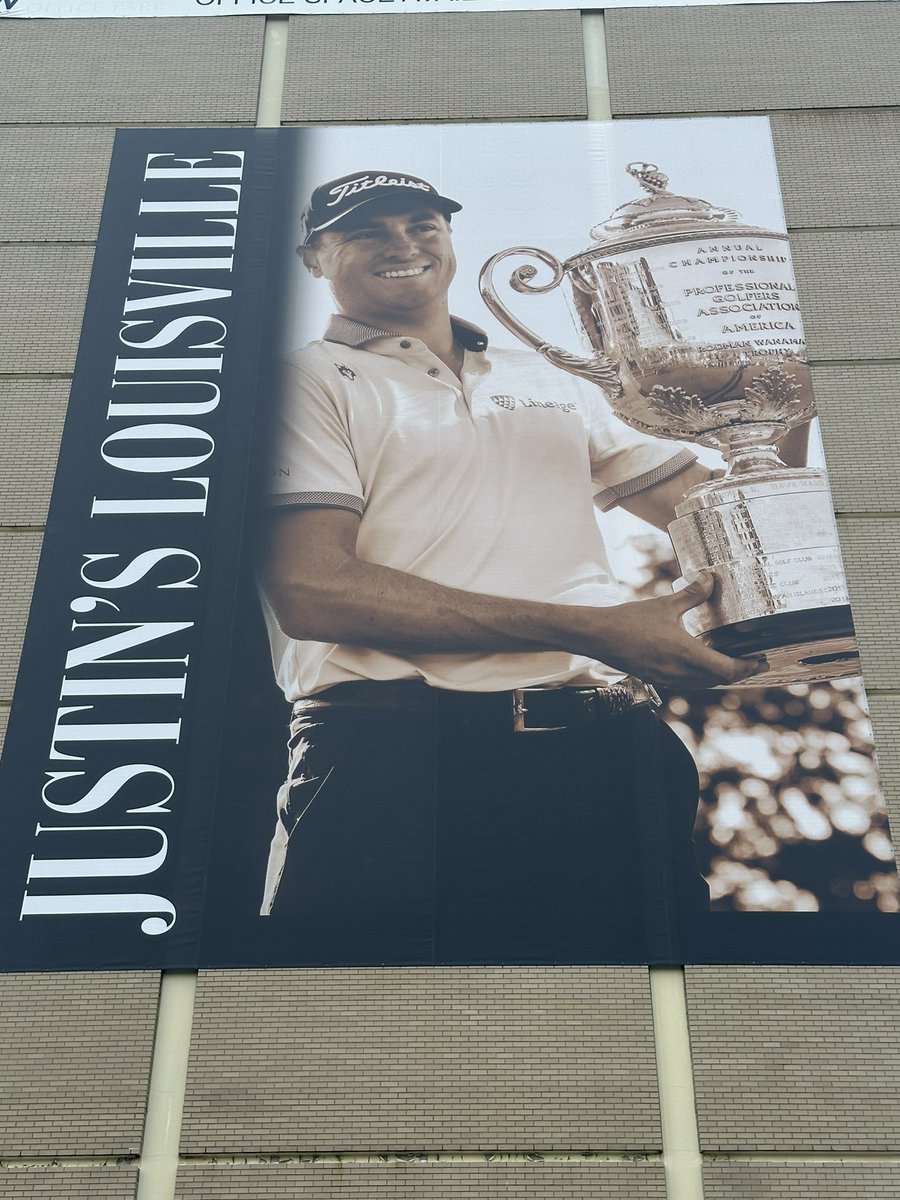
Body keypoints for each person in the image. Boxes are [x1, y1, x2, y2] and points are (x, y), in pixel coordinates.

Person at [255, 169, 784, 964]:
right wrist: (601, 631)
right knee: (360, 1019)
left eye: (422, 224)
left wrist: (782, 399)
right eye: (369, 230)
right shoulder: (295, 384)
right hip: (392, 757)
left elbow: (717, 506)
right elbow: (313, 590)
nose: (403, 244)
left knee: (636, 1015)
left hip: (606, 751)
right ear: (312, 257)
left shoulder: (549, 377)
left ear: (448, 237)